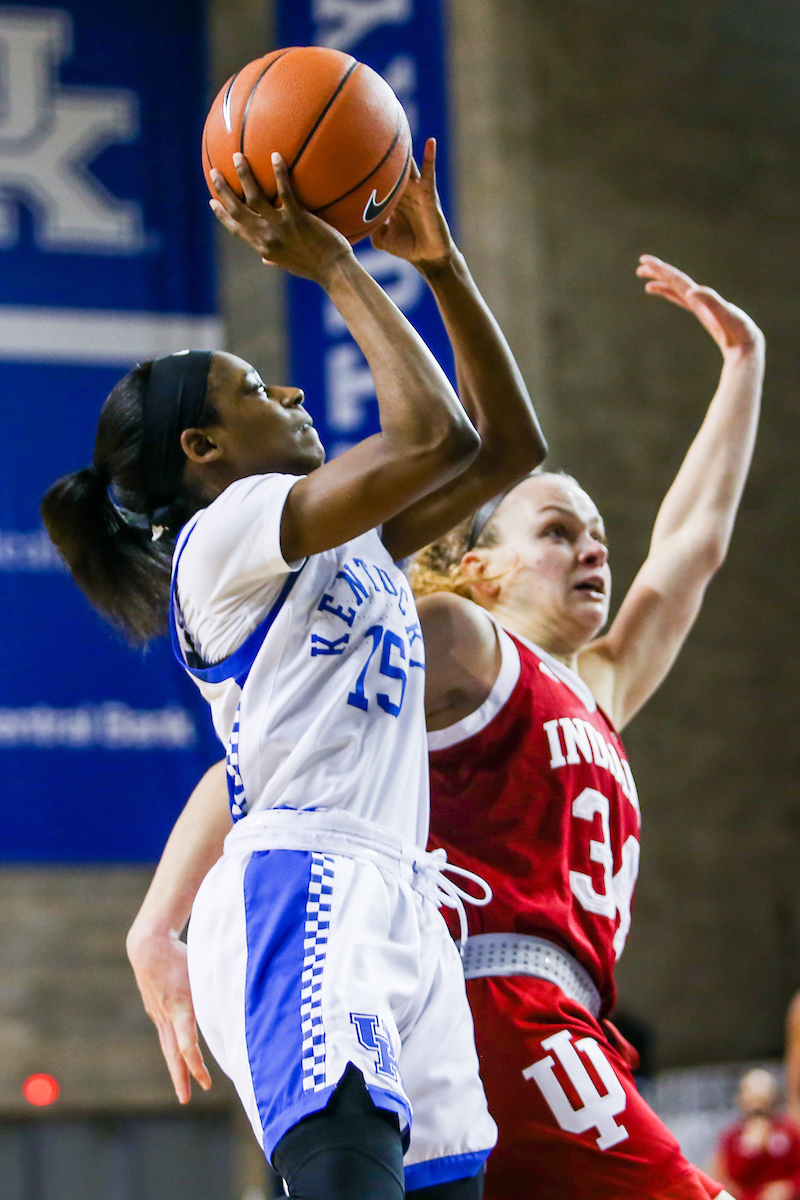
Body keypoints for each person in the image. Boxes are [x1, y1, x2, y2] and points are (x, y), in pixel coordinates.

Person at [44, 140, 546, 1199]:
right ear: (203, 451)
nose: (285, 389)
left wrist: (444, 264)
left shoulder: (341, 540)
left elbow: (502, 449)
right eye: (254, 391)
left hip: (405, 890)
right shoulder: (218, 540)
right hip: (305, 886)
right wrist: (332, 266)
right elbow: (429, 433)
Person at [410, 255, 764, 1200]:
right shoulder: (463, 644)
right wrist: (164, 921)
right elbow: (283, 736)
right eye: (558, 530)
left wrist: (743, 363)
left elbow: (692, 547)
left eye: (599, 531)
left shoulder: (597, 682)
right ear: (482, 569)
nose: (593, 545)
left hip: (565, 1015)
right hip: (496, 998)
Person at [710, 1068, 800, 1200]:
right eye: (752, 1099)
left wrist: (788, 1187)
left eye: (762, 1099)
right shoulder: (733, 1136)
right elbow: (728, 1176)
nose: (757, 1106)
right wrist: (749, 1149)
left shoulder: (788, 1131)